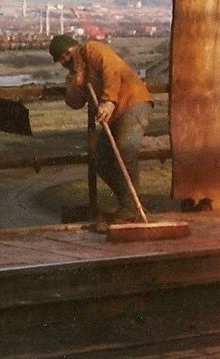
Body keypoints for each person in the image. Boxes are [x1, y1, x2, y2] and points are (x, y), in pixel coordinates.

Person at [49, 34, 154, 221]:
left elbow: (111, 71)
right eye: (62, 60)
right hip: (113, 117)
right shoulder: (75, 75)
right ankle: (131, 204)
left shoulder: (93, 49)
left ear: (73, 49)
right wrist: (77, 83)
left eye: (67, 55)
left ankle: (130, 209)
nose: (66, 62)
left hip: (132, 103)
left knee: (124, 150)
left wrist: (108, 101)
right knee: (101, 159)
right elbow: (75, 103)